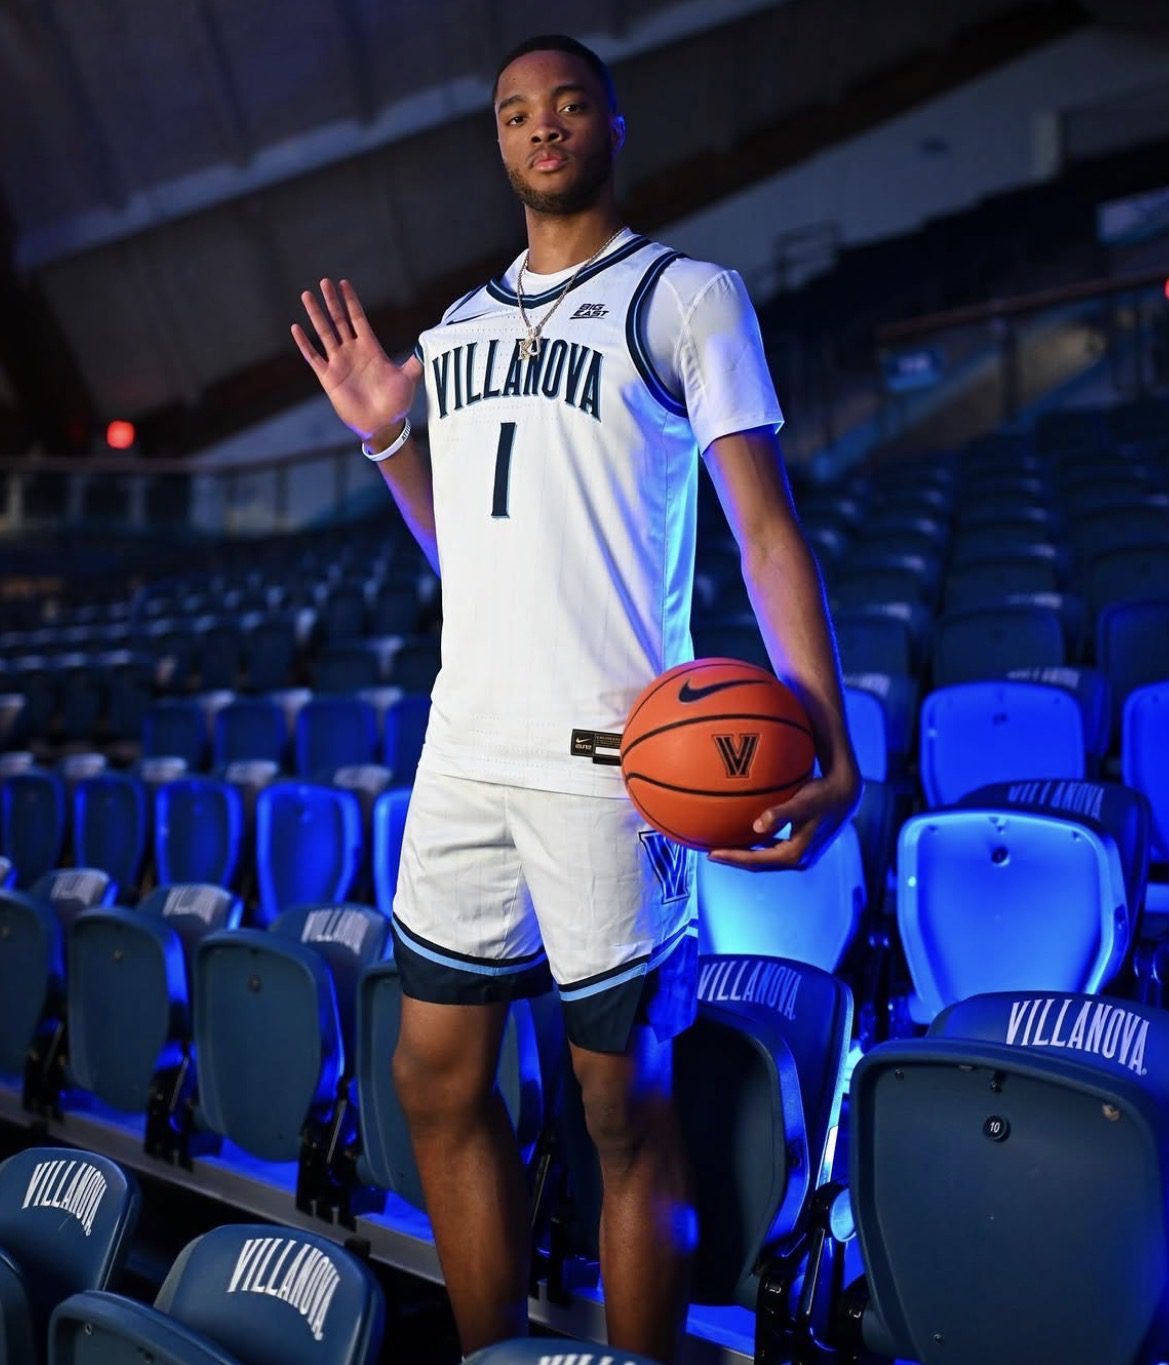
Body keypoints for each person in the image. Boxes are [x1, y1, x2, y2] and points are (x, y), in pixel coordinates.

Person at [291, 33, 860, 1363]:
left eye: (564, 106)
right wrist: (387, 436)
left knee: (619, 1118)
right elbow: (462, 558)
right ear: (496, 143)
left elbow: (765, 528)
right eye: (511, 113)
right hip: (464, 756)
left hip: (618, 762)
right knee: (435, 1083)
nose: (539, 128)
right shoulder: (455, 330)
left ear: (611, 121)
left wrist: (824, 733)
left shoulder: (688, 295)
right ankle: (500, 1352)